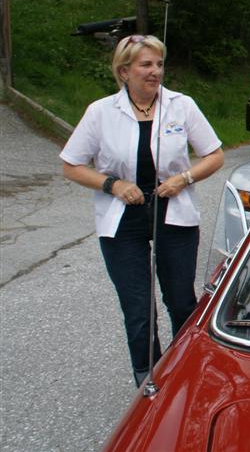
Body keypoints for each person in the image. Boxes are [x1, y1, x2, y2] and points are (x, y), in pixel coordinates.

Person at [60, 35, 224, 387]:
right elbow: (71, 165)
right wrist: (113, 185)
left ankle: (186, 372)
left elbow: (214, 155)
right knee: (138, 308)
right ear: (124, 71)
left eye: (159, 64)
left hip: (173, 212)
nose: (155, 72)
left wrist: (184, 178)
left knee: (181, 300)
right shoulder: (101, 112)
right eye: (146, 65)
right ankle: (147, 377)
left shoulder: (183, 105)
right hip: (122, 219)